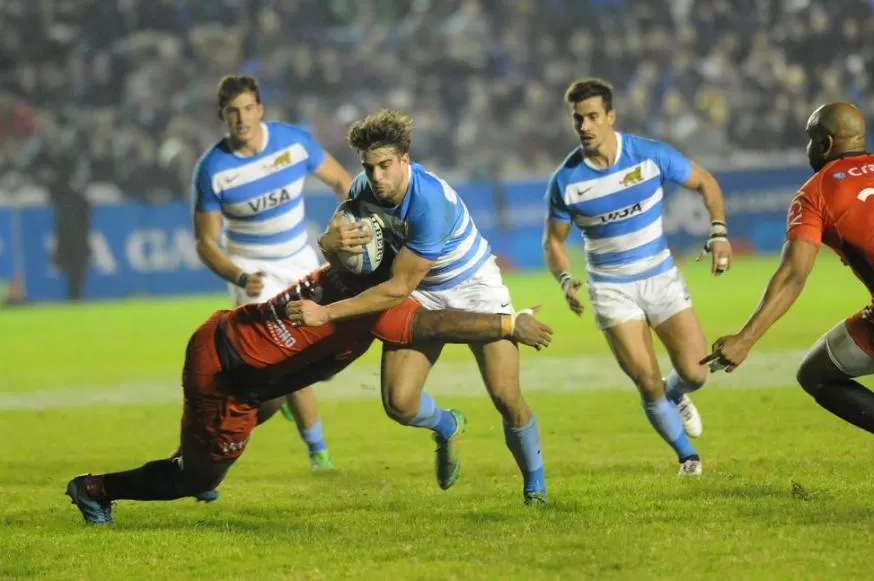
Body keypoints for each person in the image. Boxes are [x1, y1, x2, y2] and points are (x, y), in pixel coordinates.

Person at [65, 255, 553, 525]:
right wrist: (509, 324)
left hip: (227, 335)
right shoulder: (381, 305)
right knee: (199, 480)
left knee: (278, 393)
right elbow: (442, 321)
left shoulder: (341, 267)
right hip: (229, 373)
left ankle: (194, 444)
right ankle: (96, 489)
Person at [704, 102, 874, 499]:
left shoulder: (816, 190)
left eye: (810, 139)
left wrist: (745, 338)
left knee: (815, 374)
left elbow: (794, 274)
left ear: (825, 142)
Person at [298, 109, 548, 505]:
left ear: (404, 160)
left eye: (385, 166)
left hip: (472, 287)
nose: (377, 177)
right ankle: (448, 425)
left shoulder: (428, 202)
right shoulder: (365, 185)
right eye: (369, 166)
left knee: (505, 396)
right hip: (421, 289)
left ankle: (536, 486)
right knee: (398, 403)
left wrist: (328, 312)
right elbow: (336, 229)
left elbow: (397, 288)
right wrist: (330, 242)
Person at [542, 78, 732, 476]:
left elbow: (706, 182)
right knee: (647, 382)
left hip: (660, 277)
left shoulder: (650, 156)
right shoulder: (566, 181)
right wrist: (564, 279)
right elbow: (554, 242)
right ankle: (687, 457)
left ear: (611, 116)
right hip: (610, 288)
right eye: (578, 119)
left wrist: (718, 233)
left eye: (593, 117)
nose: (585, 126)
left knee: (696, 373)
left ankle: (677, 393)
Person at [192, 75, 352, 472]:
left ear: (259, 110)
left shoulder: (293, 142)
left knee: (315, 357)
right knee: (280, 364)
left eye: (247, 109)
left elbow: (341, 181)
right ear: (222, 117)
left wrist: (347, 223)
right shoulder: (213, 169)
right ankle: (318, 452)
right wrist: (240, 276)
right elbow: (206, 242)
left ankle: (294, 425)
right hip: (253, 271)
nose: (241, 118)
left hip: (299, 260)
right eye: (232, 112)